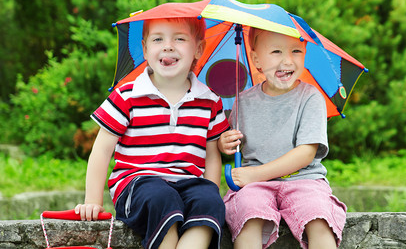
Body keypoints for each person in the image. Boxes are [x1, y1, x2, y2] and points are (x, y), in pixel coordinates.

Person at [75, 17, 229, 249]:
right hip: (138, 183)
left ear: (198, 49)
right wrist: (93, 201)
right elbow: (102, 149)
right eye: (158, 39)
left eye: (179, 38)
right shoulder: (128, 96)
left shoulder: (209, 100)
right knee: (162, 198)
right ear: (145, 49)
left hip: (189, 184)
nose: (168, 46)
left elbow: (211, 154)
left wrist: (209, 191)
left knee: (211, 201)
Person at [218, 27, 347, 249]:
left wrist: (256, 174)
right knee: (248, 211)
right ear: (257, 59)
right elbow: (230, 140)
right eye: (276, 52)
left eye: (296, 51)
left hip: (304, 180)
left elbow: (306, 153)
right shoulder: (242, 101)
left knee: (318, 215)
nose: (287, 60)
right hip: (255, 186)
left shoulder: (310, 98)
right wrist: (224, 143)